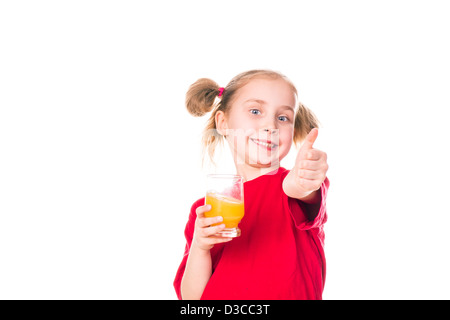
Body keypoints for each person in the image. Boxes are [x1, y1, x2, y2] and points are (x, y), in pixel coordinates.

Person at [174, 69, 330, 300]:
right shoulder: (206, 209)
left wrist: (305, 178)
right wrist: (200, 247)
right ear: (223, 122)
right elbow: (191, 299)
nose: (270, 125)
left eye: (283, 117)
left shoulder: (291, 187)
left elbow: (300, 188)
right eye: (255, 111)